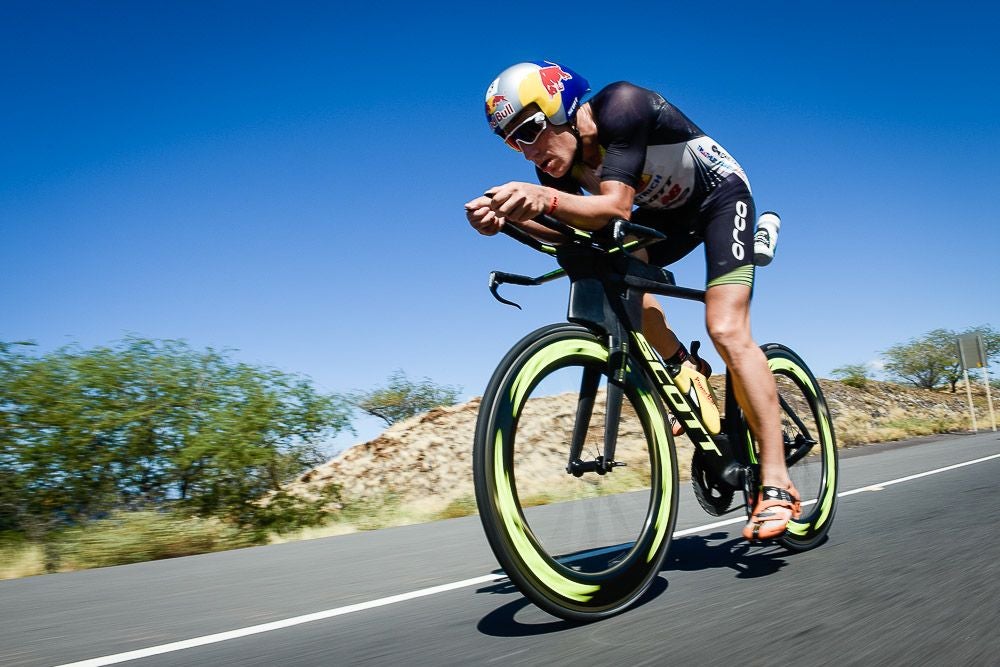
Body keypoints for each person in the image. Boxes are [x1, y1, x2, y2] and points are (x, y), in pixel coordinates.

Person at [464, 60, 799, 541]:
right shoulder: (550, 165)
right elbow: (568, 230)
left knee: (725, 327)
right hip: (663, 218)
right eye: (514, 141)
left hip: (719, 200)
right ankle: (684, 367)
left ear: (560, 106)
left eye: (532, 129)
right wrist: (506, 219)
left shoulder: (621, 106)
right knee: (615, 271)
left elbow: (614, 208)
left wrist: (539, 197)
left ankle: (776, 481)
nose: (527, 151)